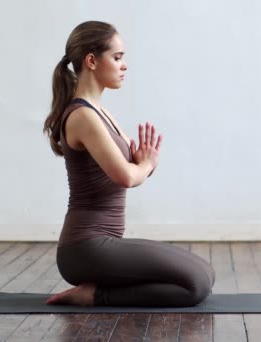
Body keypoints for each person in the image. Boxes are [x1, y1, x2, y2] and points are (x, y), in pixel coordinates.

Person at [42, 21, 215, 307]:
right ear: (92, 61)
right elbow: (126, 177)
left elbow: (133, 169)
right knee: (195, 285)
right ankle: (95, 295)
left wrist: (144, 162)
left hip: (104, 244)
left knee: (205, 274)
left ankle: (99, 289)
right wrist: (142, 166)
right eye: (118, 57)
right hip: (85, 248)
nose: (124, 66)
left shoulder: (99, 112)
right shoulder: (83, 117)